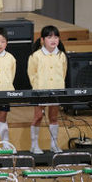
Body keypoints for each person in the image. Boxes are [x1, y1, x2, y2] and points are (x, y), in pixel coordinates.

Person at [28, 25, 67, 154]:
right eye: (49, 37)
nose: (53, 40)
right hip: (40, 90)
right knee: (38, 117)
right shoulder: (35, 56)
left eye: (56, 37)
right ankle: (34, 145)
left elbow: (64, 73)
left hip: (57, 90)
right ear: (42, 40)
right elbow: (32, 74)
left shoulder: (61, 55)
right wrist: (38, 87)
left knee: (54, 117)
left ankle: (54, 145)